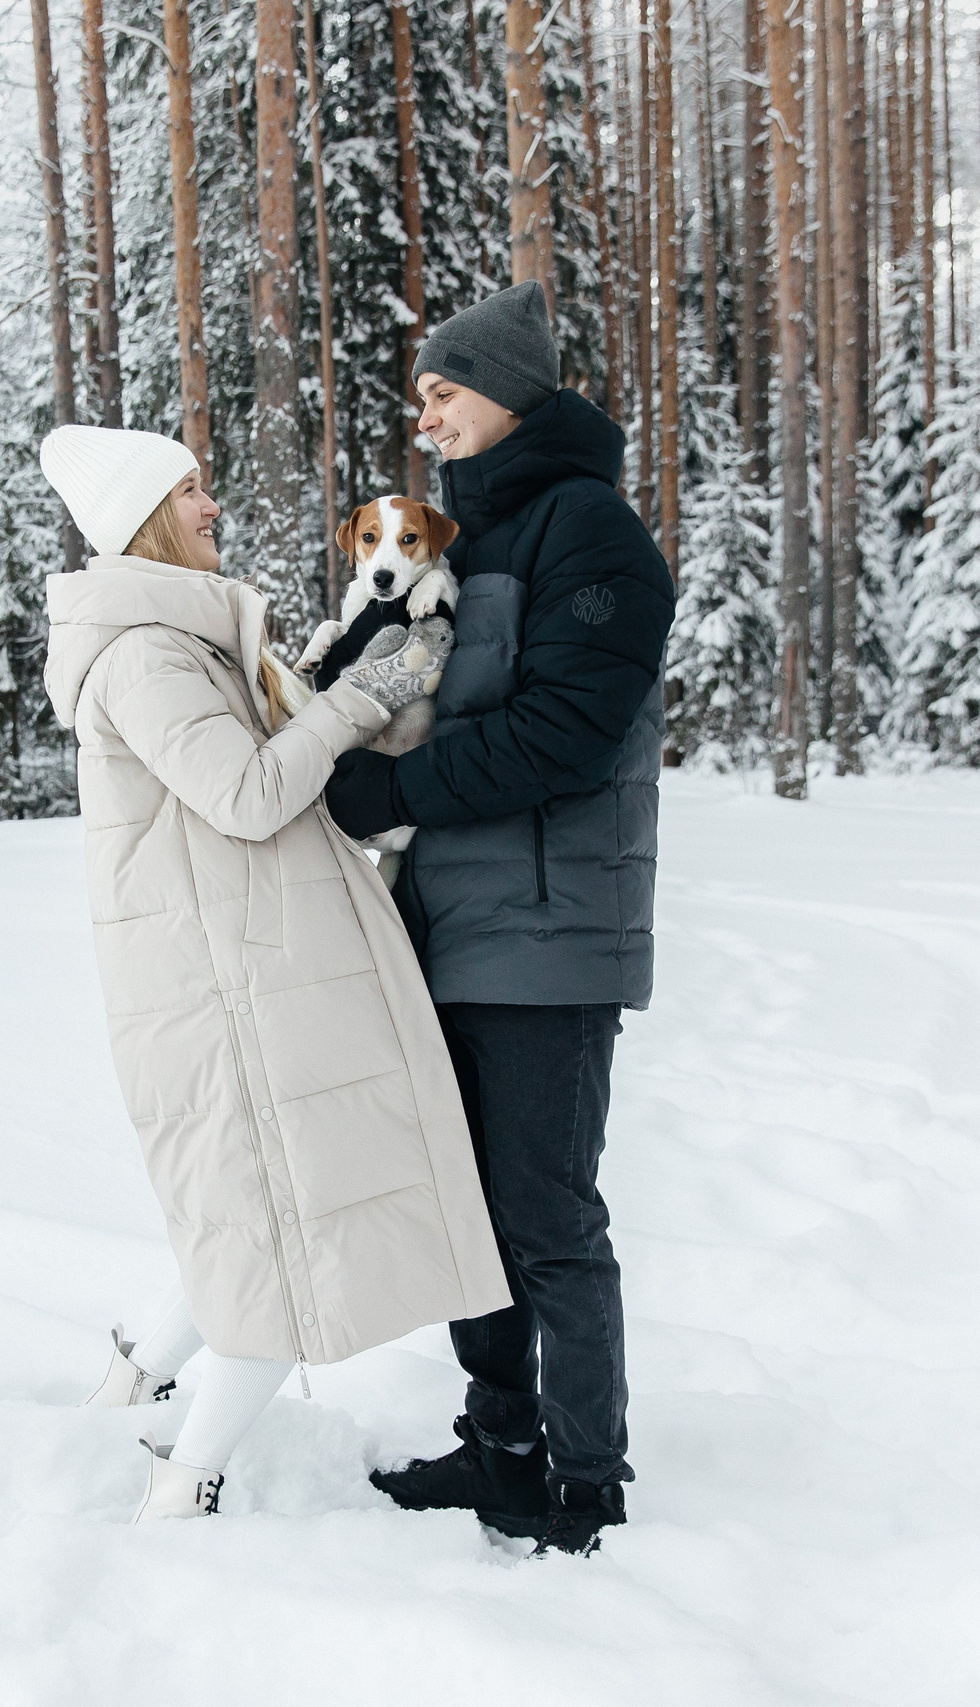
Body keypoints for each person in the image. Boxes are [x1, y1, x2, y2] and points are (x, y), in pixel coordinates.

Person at [37, 424, 510, 1523]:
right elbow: (247, 796)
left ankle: (125, 1395)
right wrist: (364, 697)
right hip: (233, 992)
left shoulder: (183, 638)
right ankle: (184, 1482)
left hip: (252, 973)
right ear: (146, 520)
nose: (213, 504)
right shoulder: (146, 656)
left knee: (259, 1223)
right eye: (190, 491)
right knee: (286, 1244)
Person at [323, 281, 677, 1557]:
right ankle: (502, 1444)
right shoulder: (465, 545)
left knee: (544, 1220)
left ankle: (582, 1480)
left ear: (509, 393)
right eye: (419, 398)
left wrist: (393, 791)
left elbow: (564, 735)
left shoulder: (591, 534)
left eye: (444, 392)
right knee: (464, 1217)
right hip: (456, 929)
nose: (425, 417)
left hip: (548, 934)